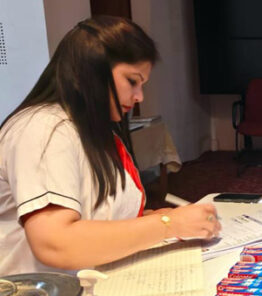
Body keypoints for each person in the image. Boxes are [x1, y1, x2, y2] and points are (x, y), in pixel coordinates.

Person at [0, 16, 220, 276]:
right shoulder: (43, 129)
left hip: (96, 288)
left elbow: (99, 216)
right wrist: (167, 224)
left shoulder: (92, 129)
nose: (139, 97)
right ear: (91, 71)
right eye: (132, 81)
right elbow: (55, 243)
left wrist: (152, 218)